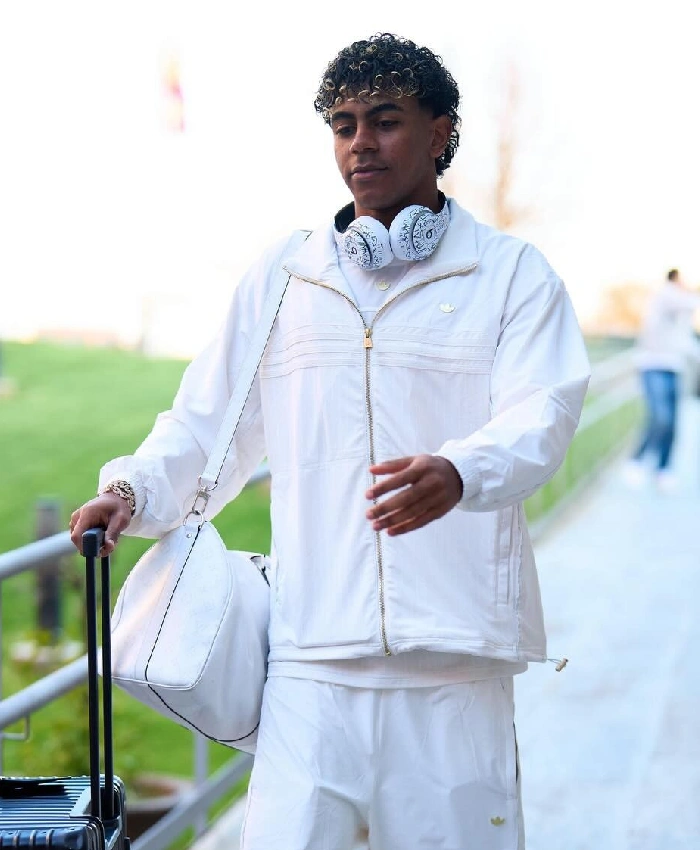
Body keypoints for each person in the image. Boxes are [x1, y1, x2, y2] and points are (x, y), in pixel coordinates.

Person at [70, 33, 590, 850]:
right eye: (344, 126)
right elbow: (208, 421)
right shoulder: (285, 276)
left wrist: (462, 470)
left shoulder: (511, 274)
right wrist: (132, 491)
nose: (360, 144)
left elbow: (545, 412)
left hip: (454, 666)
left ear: (441, 132)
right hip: (308, 661)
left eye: (385, 120)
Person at [625, 268, 700, 492]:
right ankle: (637, 460)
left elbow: (686, 342)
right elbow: (686, 302)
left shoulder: (681, 311)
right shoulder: (664, 296)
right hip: (653, 365)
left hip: (674, 367)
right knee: (661, 417)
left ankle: (664, 469)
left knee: (672, 421)